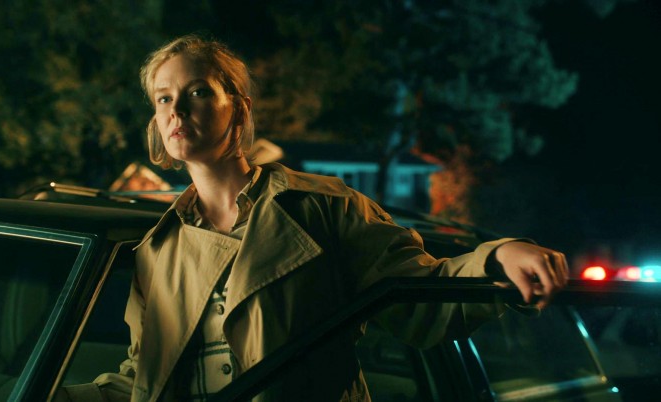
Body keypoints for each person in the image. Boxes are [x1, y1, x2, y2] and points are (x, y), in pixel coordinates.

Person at [96, 34, 568, 402]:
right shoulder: (157, 248)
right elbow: (146, 379)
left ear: (238, 108)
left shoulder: (322, 207)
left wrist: (497, 258)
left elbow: (421, 299)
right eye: (163, 98)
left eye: (197, 91)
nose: (176, 110)